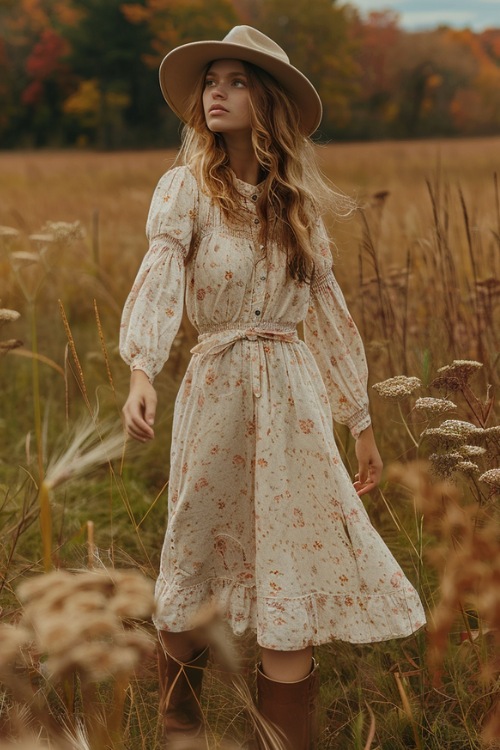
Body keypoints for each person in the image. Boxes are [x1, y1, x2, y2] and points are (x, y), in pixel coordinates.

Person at [120, 25, 426, 750]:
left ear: (269, 102)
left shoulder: (299, 211)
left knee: (289, 566)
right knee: (194, 559)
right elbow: (160, 279)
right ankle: (180, 728)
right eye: (211, 80)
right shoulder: (186, 190)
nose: (216, 92)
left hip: (294, 404)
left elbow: (330, 319)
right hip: (217, 393)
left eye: (236, 80)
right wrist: (141, 369)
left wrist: (360, 421)